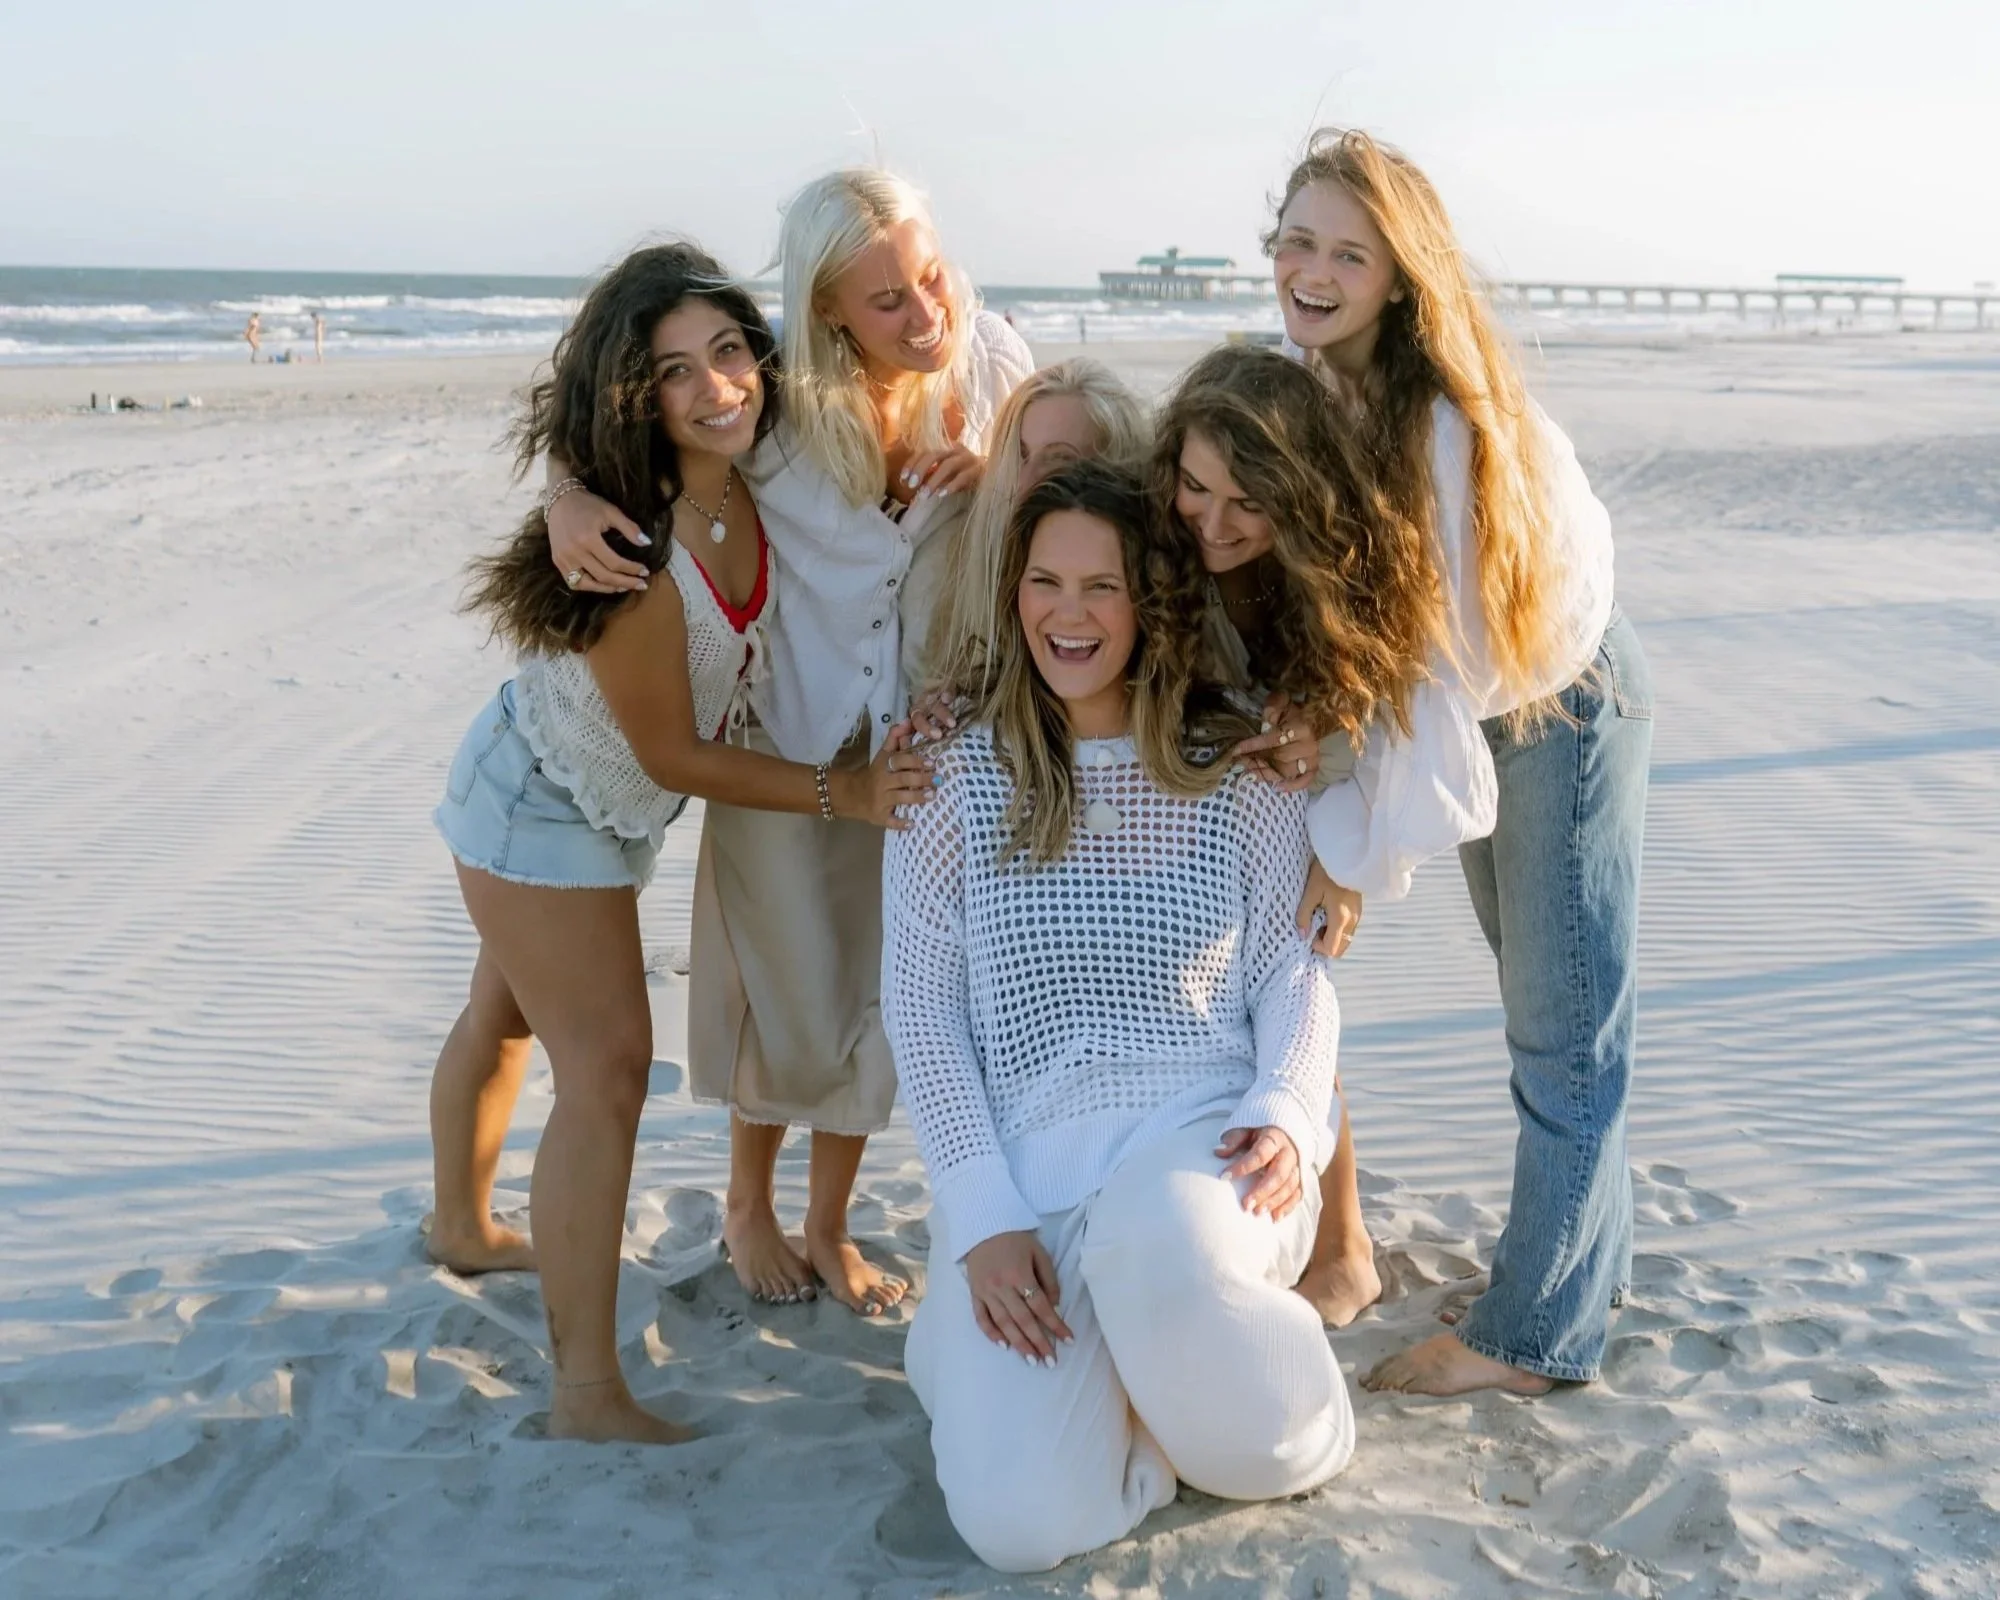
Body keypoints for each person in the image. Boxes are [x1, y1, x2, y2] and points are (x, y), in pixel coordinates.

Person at [428, 242, 934, 1444]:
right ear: (631, 397)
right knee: (605, 1069)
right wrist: (844, 792)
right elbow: (674, 759)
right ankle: (586, 1392)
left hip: (591, 805)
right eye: (675, 374)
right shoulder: (633, 554)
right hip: (537, 804)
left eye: (727, 354)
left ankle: (459, 1224)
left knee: (503, 1013)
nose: (718, 388)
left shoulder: (751, 464)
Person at [543, 169, 1033, 1315]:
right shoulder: (769, 412)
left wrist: (1002, 463)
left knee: (873, 989)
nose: (926, 316)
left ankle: (827, 1223)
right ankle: (747, 1202)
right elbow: (627, 425)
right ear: (824, 316)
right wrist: (564, 493)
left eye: (929, 279)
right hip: (791, 735)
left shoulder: (989, 367)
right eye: (886, 303)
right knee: (779, 979)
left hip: (917, 749)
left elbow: (1083, 445)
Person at [884, 462, 1356, 1573]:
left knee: (1183, 1290)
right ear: (1013, 596)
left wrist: (1287, 1110)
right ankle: (1130, 1403)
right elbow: (920, 1010)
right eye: (1043, 581)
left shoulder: (1234, 762)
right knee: (1017, 1527)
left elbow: (1295, 969)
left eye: (1100, 585)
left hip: (1197, 1142)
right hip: (1027, 1172)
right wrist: (982, 1211)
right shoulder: (950, 774)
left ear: (1151, 598)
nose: (1068, 612)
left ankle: (1235, 1384)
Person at [1271, 128, 1651, 1395]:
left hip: (1556, 704)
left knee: (1562, 1032)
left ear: (1399, 272)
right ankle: (1575, 1262)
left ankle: (1534, 1338)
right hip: (1480, 699)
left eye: (1346, 251)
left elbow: (1428, 673)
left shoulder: (1435, 423)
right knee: (1542, 1005)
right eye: (1296, 241)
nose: (1311, 271)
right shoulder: (1318, 379)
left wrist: (1352, 866)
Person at [1150, 343, 1445, 1335]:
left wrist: (1340, 860)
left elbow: (1375, 714)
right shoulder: (1162, 538)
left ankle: (1343, 1247)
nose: (1213, 523)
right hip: (1192, 787)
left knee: (1298, 982)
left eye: (1247, 504)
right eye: (1195, 488)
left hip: (1316, 801)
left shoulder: (1335, 576)